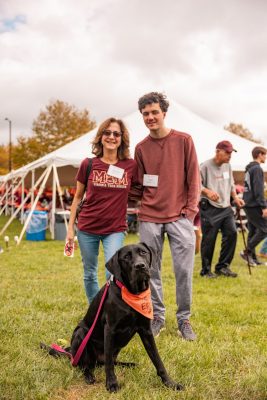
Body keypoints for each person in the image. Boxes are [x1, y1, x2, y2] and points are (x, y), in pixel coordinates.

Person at [131, 92, 200, 341]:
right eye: (145, 114)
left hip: (179, 217)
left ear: (164, 113)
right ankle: (157, 317)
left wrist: (189, 213)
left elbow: (194, 178)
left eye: (154, 112)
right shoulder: (140, 148)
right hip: (149, 216)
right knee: (150, 270)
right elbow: (138, 186)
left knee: (183, 270)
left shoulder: (183, 140)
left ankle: (184, 320)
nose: (150, 117)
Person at [66, 117, 138, 303]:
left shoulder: (130, 166)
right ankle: (95, 310)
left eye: (116, 133)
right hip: (87, 228)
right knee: (89, 273)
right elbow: (77, 197)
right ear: (101, 137)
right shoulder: (88, 164)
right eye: (107, 132)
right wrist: (70, 228)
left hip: (114, 229)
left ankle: (109, 308)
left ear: (122, 138)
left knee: (112, 272)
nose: (111, 137)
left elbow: (140, 190)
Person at [200, 141, 244, 278]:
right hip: (209, 208)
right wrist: (207, 192)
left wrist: (235, 197)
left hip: (226, 207)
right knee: (209, 240)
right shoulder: (205, 166)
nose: (230, 155)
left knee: (232, 234)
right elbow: (195, 184)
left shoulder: (228, 166)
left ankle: (223, 267)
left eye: (231, 152)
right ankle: (206, 271)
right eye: (227, 152)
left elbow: (230, 184)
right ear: (218, 151)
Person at [240, 146, 267, 266]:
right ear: (259, 155)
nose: (266, 157)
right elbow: (258, 189)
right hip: (254, 204)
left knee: (253, 230)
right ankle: (247, 252)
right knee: (264, 229)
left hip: (248, 203)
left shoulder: (250, 168)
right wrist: (264, 206)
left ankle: (253, 258)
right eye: (265, 154)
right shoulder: (257, 169)